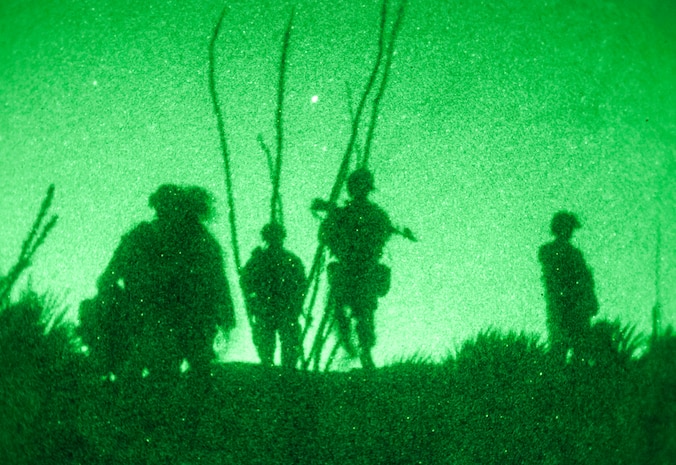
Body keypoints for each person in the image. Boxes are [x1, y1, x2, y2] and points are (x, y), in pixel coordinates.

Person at [92, 184, 235, 381]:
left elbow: (216, 278)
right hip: (168, 315)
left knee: (184, 371)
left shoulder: (196, 238)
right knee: (177, 371)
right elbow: (111, 274)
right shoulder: (147, 235)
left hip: (181, 315)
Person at [317, 168, 398, 369]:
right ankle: (350, 343)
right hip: (347, 267)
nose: (359, 190)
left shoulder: (375, 214)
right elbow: (326, 236)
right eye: (356, 187)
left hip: (365, 269)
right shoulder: (344, 213)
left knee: (364, 314)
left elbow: (383, 234)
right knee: (340, 309)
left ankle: (364, 352)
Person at [241, 222, 306, 368]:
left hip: (279, 308)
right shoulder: (262, 259)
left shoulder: (261, 259)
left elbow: (301, 285)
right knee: (270, 344)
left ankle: (282, 371)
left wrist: (296, 304)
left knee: (283, 343)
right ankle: (278, 370)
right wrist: (253, 301)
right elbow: (245, 282)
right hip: (271, 308)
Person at [538, 211, 598, 364]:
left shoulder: (576, 254)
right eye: (568, 227)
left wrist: (589, 300)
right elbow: (555, 279)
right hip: (562, 307)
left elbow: (586, 280)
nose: (570, 231)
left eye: (571, 228)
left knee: (579, 352)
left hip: (577, 309)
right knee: (560, 348)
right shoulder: (548, 251)